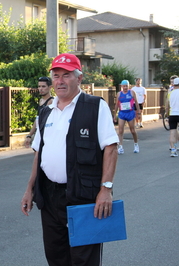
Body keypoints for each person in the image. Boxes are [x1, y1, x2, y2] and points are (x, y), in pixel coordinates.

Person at [21, 53, 119, 266]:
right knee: (56, 257)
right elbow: (39, 153)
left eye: (66, 75)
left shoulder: (95, 107)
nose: (60, 81)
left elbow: (111, 148)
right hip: (49, 196)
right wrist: (30, 189)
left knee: (84, 260)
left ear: (79, 78)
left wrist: (106, 189)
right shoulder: (46, 112)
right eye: (56, 76)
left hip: (84, 197)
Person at [24, 77, 54, 148]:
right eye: (39, 86)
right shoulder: (41, 100)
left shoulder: (51, 102)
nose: (40, 89)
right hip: (39, 133)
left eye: (43, 86)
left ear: (50, 87)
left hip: (47, 135)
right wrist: (29, 135)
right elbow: (37, 119)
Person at [113, 80, 141, 154]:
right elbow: (116, 105)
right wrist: (114, 115)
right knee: (120, 130)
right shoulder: (119, 94)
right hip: (122, 113)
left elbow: (136, 103)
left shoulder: (132, 92)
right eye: (124, 86)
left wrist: (138, 113)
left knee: (132, 130)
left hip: (130, 113)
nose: (125, 87)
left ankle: (136, 144)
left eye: (126, 86)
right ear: (121, 86)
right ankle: (120, 147)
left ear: (129, 86)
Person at [166, 77, 179, 157]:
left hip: (172, 114)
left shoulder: (170, 93)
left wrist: (167, 115)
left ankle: (173, 149)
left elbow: (167, 106)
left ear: (173, 84)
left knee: (172, 132)